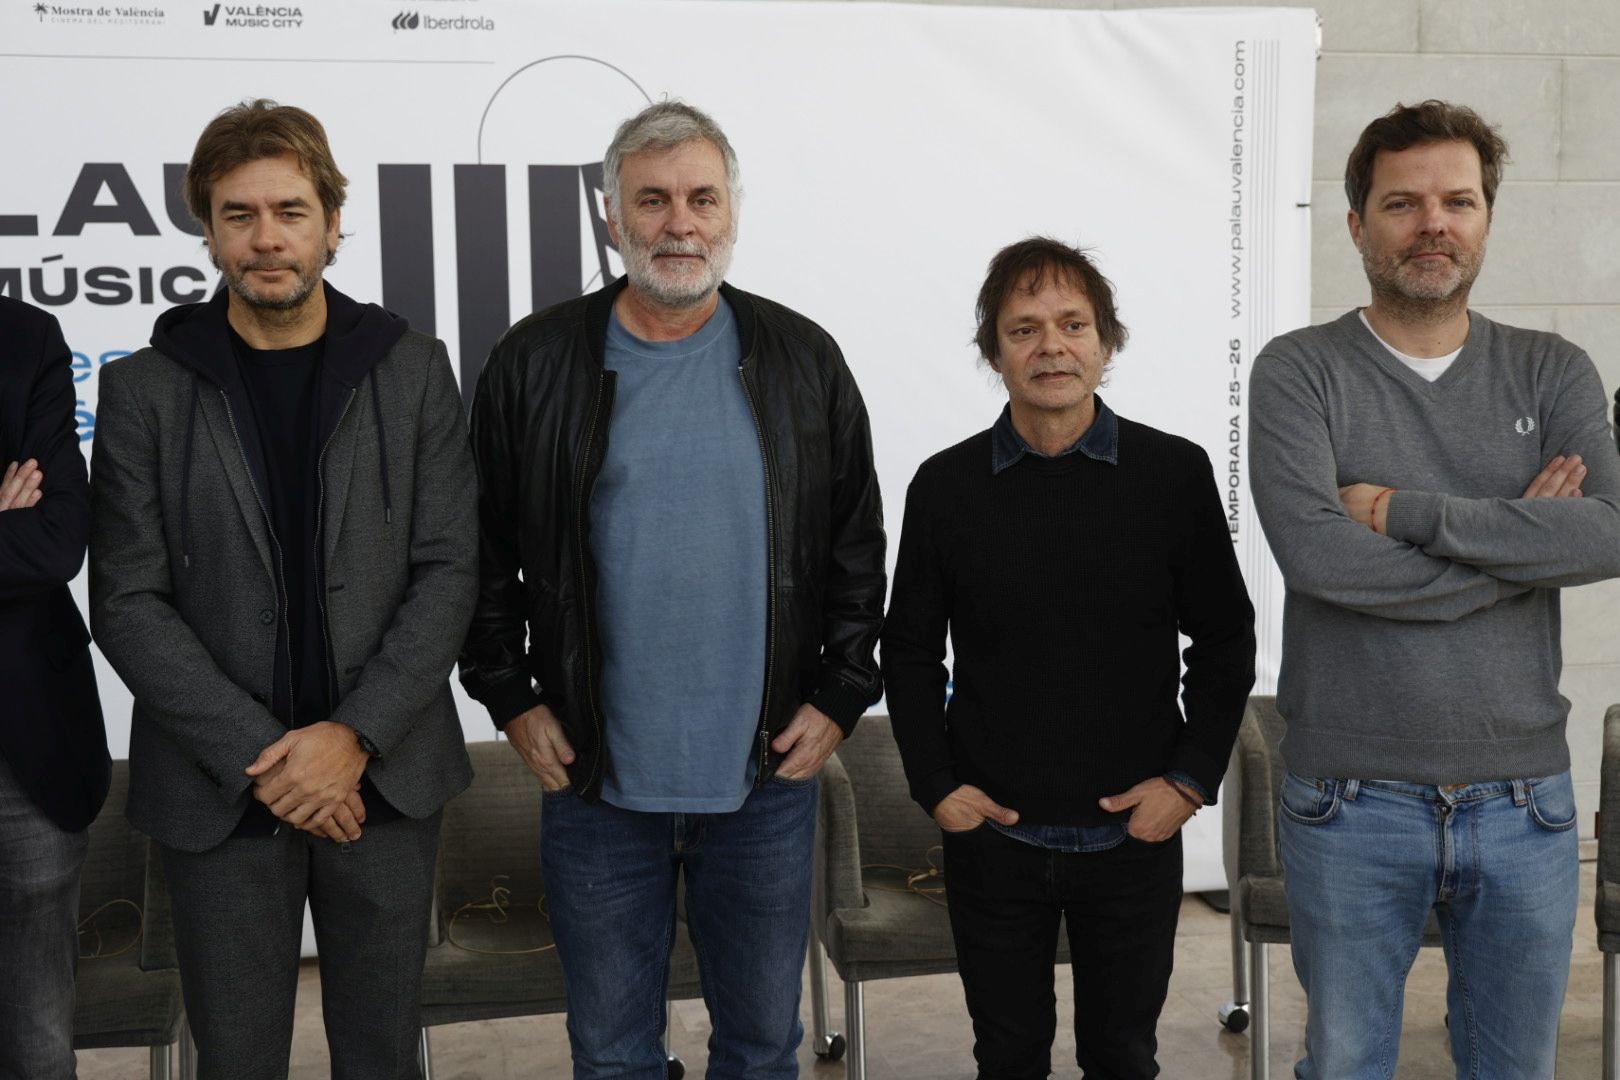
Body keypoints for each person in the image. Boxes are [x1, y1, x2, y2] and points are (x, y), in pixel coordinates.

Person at [459, 100, 885, 1078]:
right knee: (611, 1054)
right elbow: (479, 553)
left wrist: (839, 694)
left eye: (701, 198)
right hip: (596, 778)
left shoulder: (802, 360)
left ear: (733, 211)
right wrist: (512, 697)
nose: (678, 223)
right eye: (652, 200)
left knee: (759, 1048)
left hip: (764, 777)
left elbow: (857, 548)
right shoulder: (535, 363)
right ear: (610, 215)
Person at [89, 98, 477, 1080]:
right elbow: (127, 602)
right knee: (235, 1063)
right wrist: (271, 759)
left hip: (382, 783)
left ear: (333, 222)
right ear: (209, 229)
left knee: (383, 1058)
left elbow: (449, 570)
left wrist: (350, 740)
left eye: (291, 211)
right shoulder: (145, 389)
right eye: (239, 214)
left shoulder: (414, 370)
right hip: (222, 793)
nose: (267, 239)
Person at [1250, 99, 1620, 1079]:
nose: (1433, 224)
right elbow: (1320, 560)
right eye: (1403, 203)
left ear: (1488, 217)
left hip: (1525, 798)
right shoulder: (1302, 372)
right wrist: (1521, 541)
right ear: (1357, 224)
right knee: (1345, 1066)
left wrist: (1407, 512)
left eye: (1458, 200)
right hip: (1348, 797)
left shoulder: (1553, 370)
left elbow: (1609, 533)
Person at [883, 236, 1256, 1080]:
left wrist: (1189, 780)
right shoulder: (945, 487)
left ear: (1106, 342)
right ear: (993, 353)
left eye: (1072, 323)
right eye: (1023, 329)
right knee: (1008, 1057)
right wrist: (937, 787)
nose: (1051, 345)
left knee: (1123, 1057)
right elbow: (907, 651)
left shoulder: (1172, 474)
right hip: (994, 839)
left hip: (1134, 835)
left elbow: (1227, 637)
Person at [0, 296, 110, 1080]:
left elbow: (53, 540)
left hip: (25, 737)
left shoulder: (24, 335)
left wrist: (17, 529)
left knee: (38, 1038)